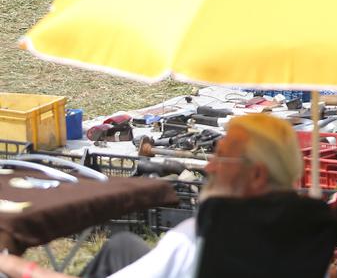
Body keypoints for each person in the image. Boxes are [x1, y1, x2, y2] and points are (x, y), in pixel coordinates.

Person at [0, 114, 303, 278]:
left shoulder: (197, 240)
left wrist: (17, 266)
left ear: (257, 175)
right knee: (121, 246)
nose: (209, 166)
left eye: (222, 158)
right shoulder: (305, 233)